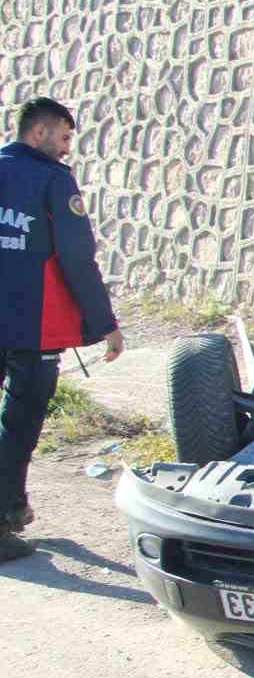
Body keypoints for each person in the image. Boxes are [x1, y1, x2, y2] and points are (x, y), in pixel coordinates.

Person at [0, 98, 124, 561]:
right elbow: (76, 259)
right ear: (39, 133)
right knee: (18, 426)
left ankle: (13, 506)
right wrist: (105, 325)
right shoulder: (52, 181)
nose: (68, 149)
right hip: (34, 327)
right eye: (65, 138)